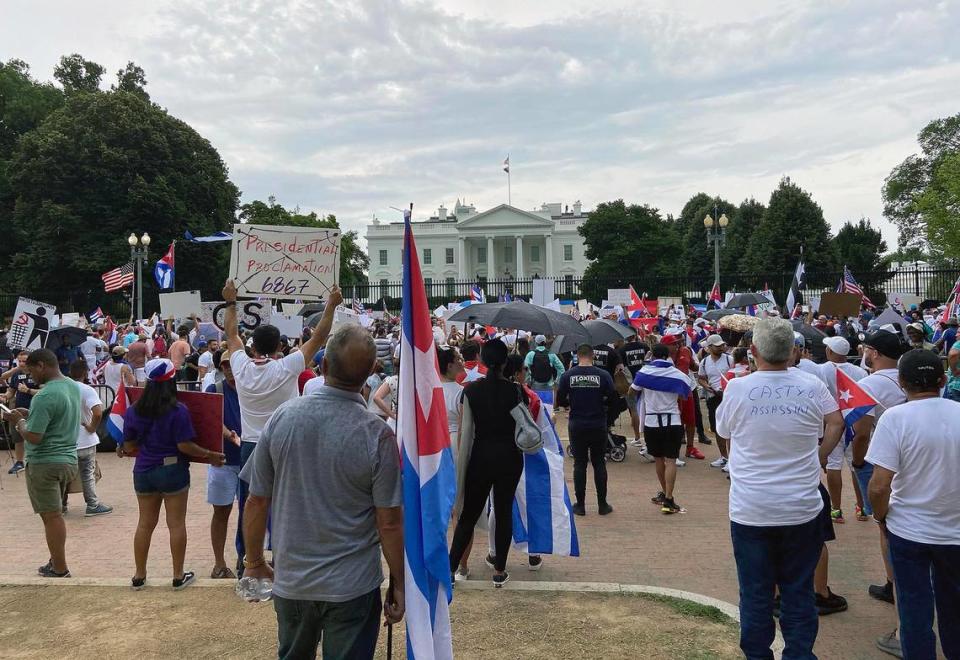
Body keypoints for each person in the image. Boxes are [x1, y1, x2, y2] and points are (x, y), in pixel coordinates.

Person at [241, 325, 404, 659]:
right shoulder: (377, 435)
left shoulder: (283, 418)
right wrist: (399, 582)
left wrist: (254, 560)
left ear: (324, 367)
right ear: (370, 374)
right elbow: (388, 521)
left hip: (295, 580)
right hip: (352, 585)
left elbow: (257, 499)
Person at [715, 318, 845, 659]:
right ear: (793, 352)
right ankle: (799, 655)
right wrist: (820, 455)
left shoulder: (738, 388)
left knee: (756, 594)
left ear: (753, 351)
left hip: (752, 509)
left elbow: (724, 432)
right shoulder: (811, 385)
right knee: (798, 592)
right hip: (800, 507)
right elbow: (836, 421)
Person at [223, 278, 340, 572]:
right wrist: (331, 306)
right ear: (278, 346)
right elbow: (319, 338)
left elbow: (231, 334)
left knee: (249, 504)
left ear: (253, 345)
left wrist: (230, 301)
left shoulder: (241, 366)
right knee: (288, 502)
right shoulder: (286, 367)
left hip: (251, 443)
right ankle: (285, 557)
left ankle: (246, 558)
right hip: (285, 441)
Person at [866, 349, 960, 660]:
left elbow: (879, 486)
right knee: (955, 608)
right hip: (955, 533)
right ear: (943, 379)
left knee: (913, 609)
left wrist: (881, 517)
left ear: (902, 383)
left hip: (909, 531)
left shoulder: (895, 418)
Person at [120, 358, 225, 590]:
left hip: (144, 469)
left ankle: (139, 574)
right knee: (176, 524)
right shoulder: (178, 410)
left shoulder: (134, 410)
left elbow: (128, 446)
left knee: (145, 523)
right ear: (172, 380)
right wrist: (210, 454)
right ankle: (178, 575)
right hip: (172, 469)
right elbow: (184, 445)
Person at [450, 339, 525, 587]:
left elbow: (467, 431)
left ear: (481, 360)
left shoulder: (470, 391)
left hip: (480, 457)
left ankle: (450, 568)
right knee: (503, 512)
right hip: (510, 457)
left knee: (468, 515)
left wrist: (462, 467)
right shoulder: (515, 390)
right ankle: (499, 570)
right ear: (505, 362)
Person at [1, 349, 81, 578]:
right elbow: (56, 418)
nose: (30, 377)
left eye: (31, 371)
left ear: (42, 366)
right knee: (55, 514)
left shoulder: (44, 395)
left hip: (45, 461)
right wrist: (29, 415)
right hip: (67, 459)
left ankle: (60, 567)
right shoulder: (71, 386)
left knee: (51, 516)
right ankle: (56, 560)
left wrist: (19, 421)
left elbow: (34, 436)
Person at [631, 343, 691, 514]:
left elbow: (632, 390)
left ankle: (665, 494)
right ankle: (669, 498)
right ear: (667, 356)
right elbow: (685, 394)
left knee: (658, 459)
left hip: (652, 422)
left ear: (652, 356)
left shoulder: (643, 372)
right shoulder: (677, 375)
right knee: (671, 460)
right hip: (672, 420)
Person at [556, 344, 615, 516]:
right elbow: (612, 398)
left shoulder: (568, 375)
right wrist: (602, 405)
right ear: (593, 355)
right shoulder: (603, 375)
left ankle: (580, 505)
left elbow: (560, 399)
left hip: (577, 423)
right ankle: (602, 504)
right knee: (599, 462)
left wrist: (571, 404)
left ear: (577, 356)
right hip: (598, 423)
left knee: (579, 463)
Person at [817, 335, 868, 524]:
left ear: (830, 351)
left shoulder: (821, 370)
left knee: (833, 465)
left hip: (831, 423)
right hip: (855, 421)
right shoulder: (860, 372)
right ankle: (861, 507)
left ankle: (836, 510)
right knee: (856, 464)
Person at [204, 349, 243, 578]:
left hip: (248, 460)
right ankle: (219, 563)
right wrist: (229, 435)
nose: (228, 369)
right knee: (221, 512)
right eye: (224, 365)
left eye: (231, 364)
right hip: (223, 461)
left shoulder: (252, 388)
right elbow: (210, 420)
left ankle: (246, 557)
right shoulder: (215, 389)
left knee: (249, 513)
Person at [64, 360, 112, 516]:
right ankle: (92, 504)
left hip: (65, 440)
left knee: (64, 475)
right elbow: (98, 412)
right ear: (85, 373)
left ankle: (61, 504)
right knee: (87, 473)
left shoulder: (62, 389)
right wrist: (92, 427)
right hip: (85, 439)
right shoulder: (87, 390)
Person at [660, 333, 704, 462]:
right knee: (674, 422)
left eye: (678, 342)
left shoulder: (685, 351)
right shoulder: (661, 357)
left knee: (691, 420)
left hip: (686, 390)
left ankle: (690, 448)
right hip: (670, 394)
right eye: (674, 343)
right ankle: (673, 450)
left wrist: (703, 367)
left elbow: (693, 366)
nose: (677, 345)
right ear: (665, 346)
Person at [2, 349, 38, 474]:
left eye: (25, 361)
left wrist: (28, 390)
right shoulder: (17, 375)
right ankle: (19, 462)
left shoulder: (38, 374)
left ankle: (35, 461)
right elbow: (11, 391)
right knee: (17, 437)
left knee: (35, 436)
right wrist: (5, 396)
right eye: (20, 361)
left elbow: (46, 391)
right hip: (18, 410)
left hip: (35, 410)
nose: (22, 364)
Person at [696, 334, 731, 456]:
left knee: (730, 428)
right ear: (709, 347)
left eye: (722, 345)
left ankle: (731, 458)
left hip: (728, 397)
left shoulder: (729, 359)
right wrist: (707, 386)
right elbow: (701, 378)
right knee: (717, 428)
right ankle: (723, 456)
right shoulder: (704, 362)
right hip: (713, 397)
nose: (721, 348)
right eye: (717, 346)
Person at [619, 331, 650, 449]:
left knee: (634, 410)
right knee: (646, 409)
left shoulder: (622, 350)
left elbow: (621, 368)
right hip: (646, 379)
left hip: (631, 382)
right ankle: (647, 438)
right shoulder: (644, 346)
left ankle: (637, 438)